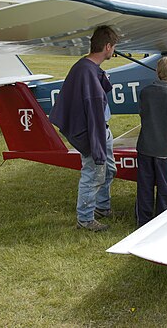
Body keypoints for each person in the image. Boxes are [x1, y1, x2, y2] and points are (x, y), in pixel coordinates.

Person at [49, 25, 119, 231]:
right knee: (94, 173)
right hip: (93, 132)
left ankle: (102, 207)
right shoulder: (87, 72)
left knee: (109, 170)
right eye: (113, 47)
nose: (113, 51)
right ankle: (85, 218)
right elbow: (94, 115)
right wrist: (96, 148)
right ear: (107, 47)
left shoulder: (86, 67)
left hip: (100, 130)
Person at [136, 56, 167, 227]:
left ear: (157, 71)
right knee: (164, 187)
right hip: (165, 148)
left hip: (145, 146)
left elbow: (142, 113)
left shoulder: (145, 92)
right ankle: (162, 221)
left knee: (145, 185)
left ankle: (143, 220)